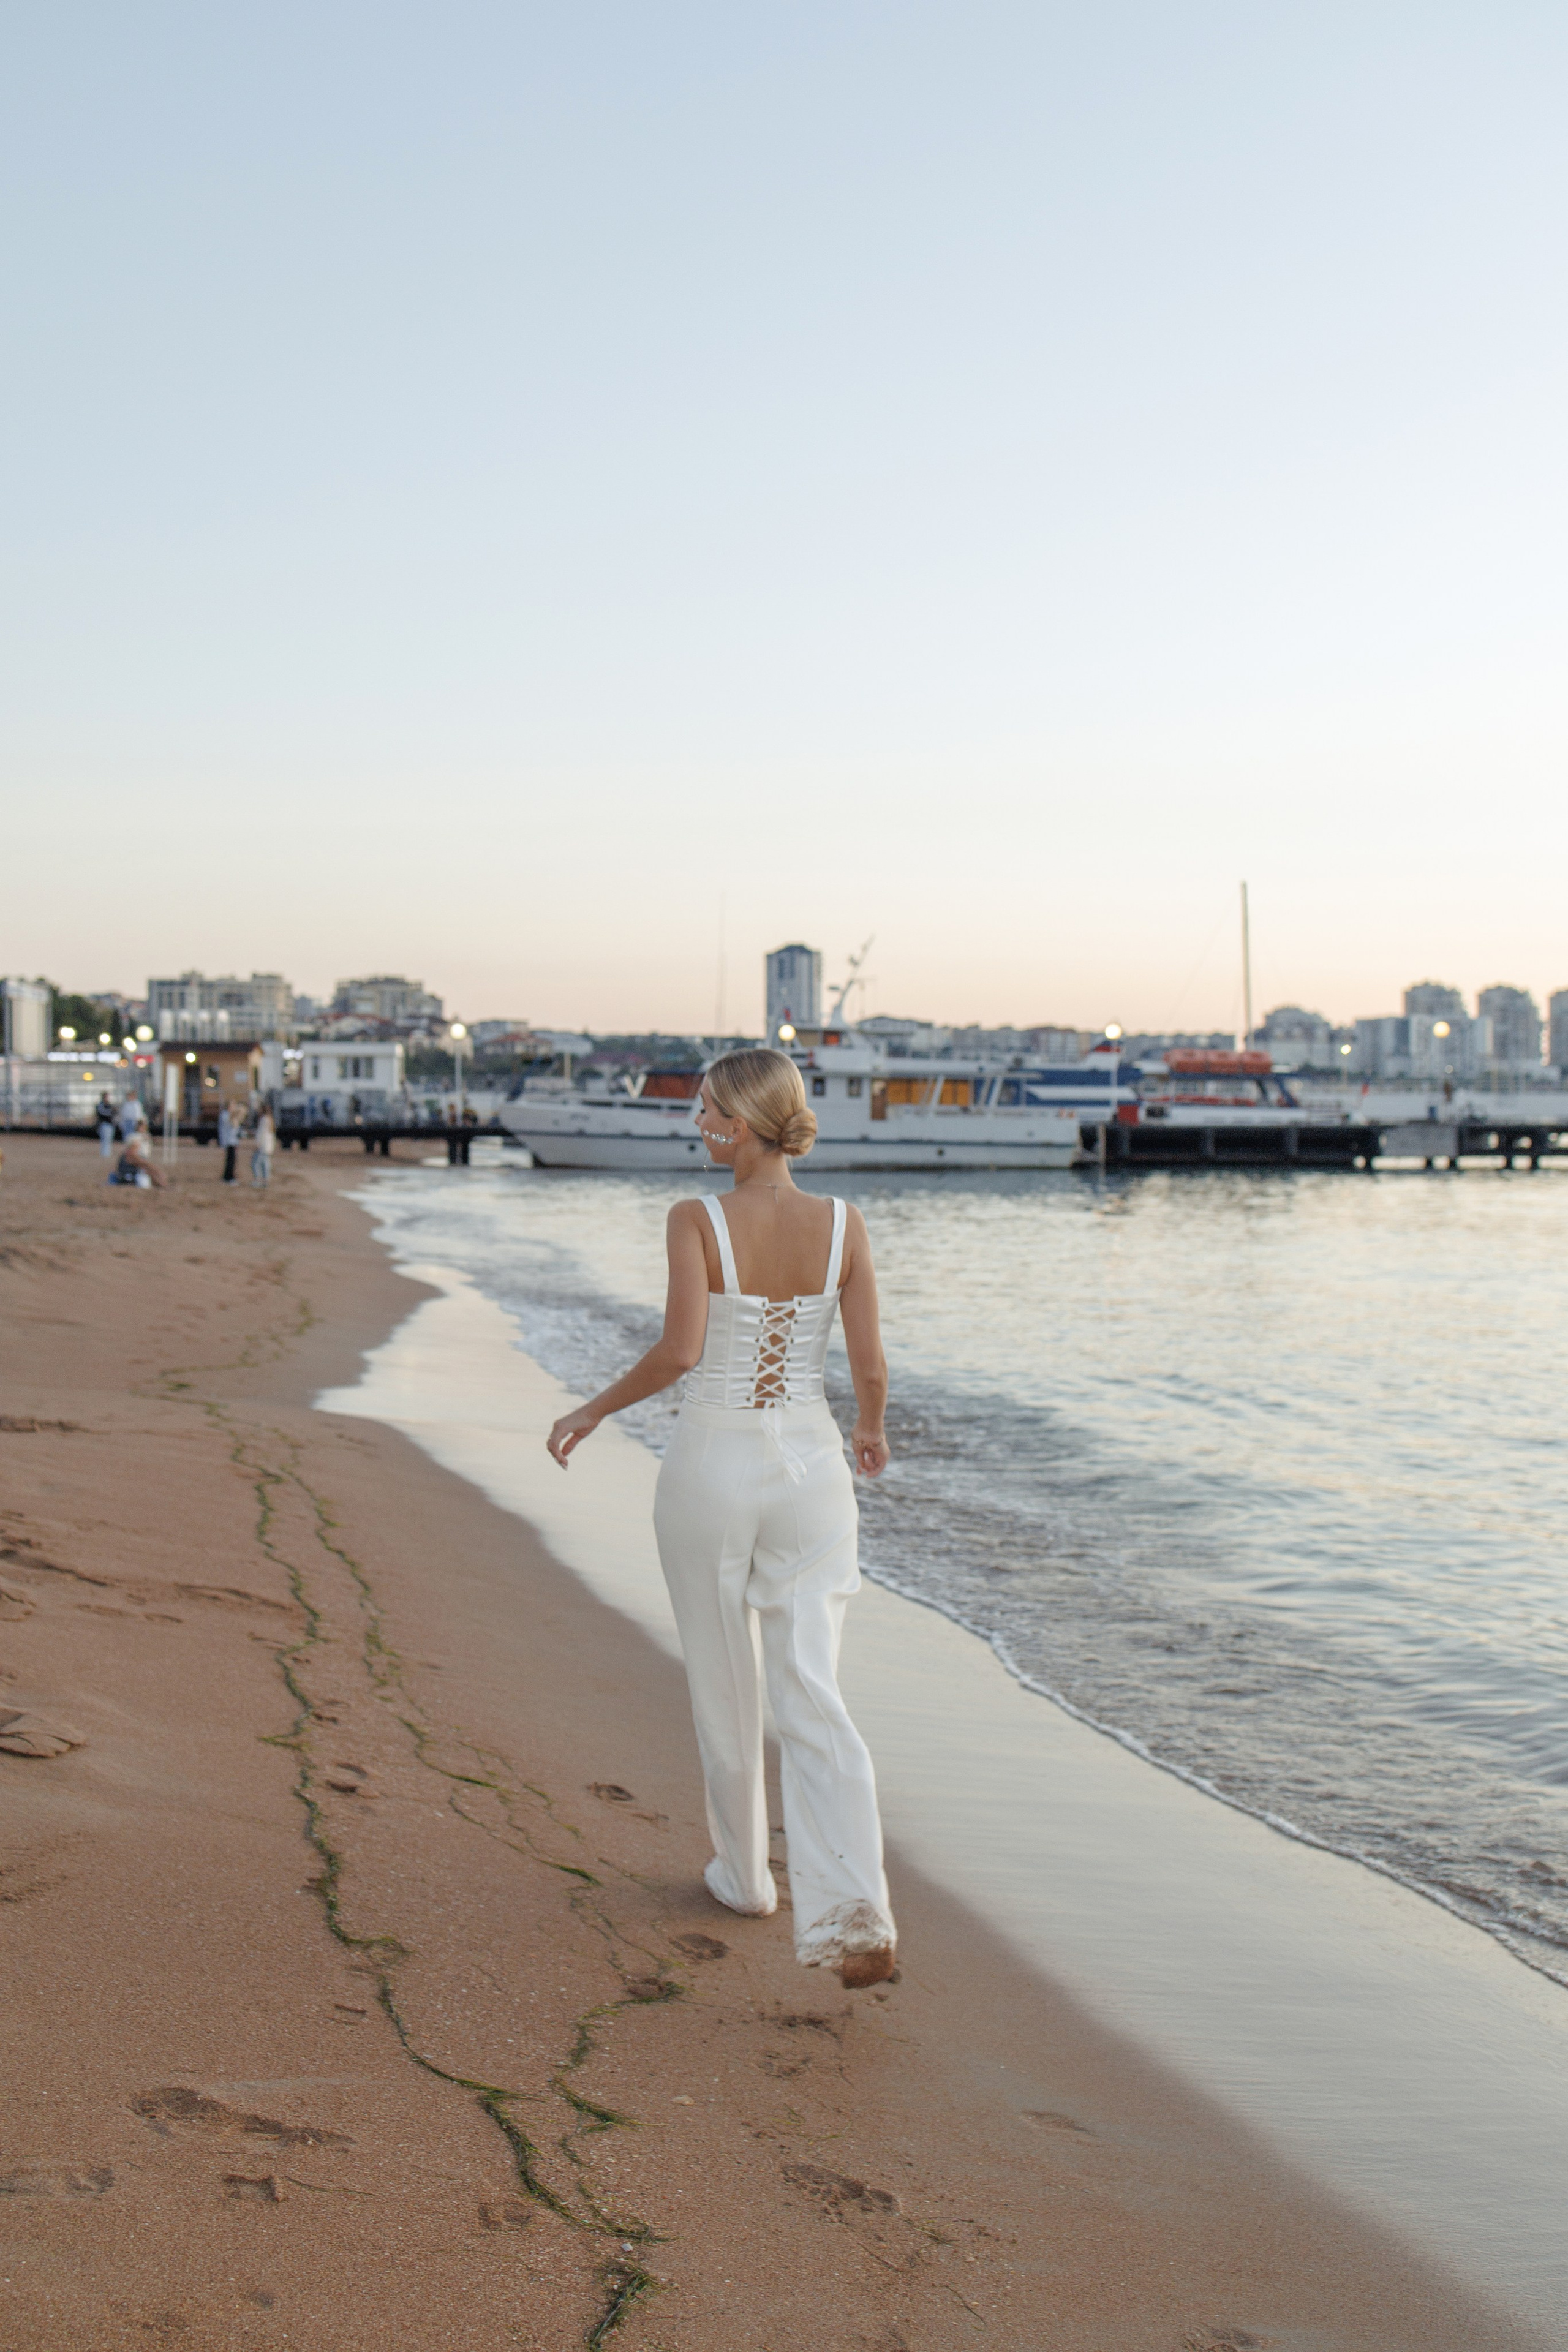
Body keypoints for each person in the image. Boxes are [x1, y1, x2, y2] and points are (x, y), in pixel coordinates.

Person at [546, 1047, 897, 1989]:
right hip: (814, 1467)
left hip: (715, 1461)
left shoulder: (696, 1219)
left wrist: (591, 1410)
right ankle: (854, 1904)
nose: (695, 1124)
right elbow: (868, 1366)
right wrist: (869, 1430)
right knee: (813, 1685)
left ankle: (746, 1881)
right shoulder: (844, 1225)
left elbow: (679, 1351)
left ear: (737, 1125)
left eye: (703, 1110)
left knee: (725, 1680)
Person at [249, 1106, 276, 1188]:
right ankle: (265, 1182)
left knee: (255, 1163)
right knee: (265, 1164)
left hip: (263, 1146)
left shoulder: (264, 1119)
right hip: (268, 1146)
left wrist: (258, 1144)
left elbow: (261, 1133)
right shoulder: (270, 1120)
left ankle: (258, 1181)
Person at [217, 1099, 239, 1184]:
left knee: (231, 1160)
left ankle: (227, 1176)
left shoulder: (229, 1115)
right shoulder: (225, 1115)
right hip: (229, 1141)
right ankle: (229, 1177)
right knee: (231, 1161)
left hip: (232, 1141)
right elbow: (231, 1124)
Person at [96, 1095, 116, 1160]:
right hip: (104, 1124)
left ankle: (108, 1153)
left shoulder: (110, 1105)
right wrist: (112, 1111)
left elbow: (113, 1114)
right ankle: (104, 1154)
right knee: (105, 1139)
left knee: (109, 1139)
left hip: (110, 1124)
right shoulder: (101, 1105)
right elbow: (102, 1113)